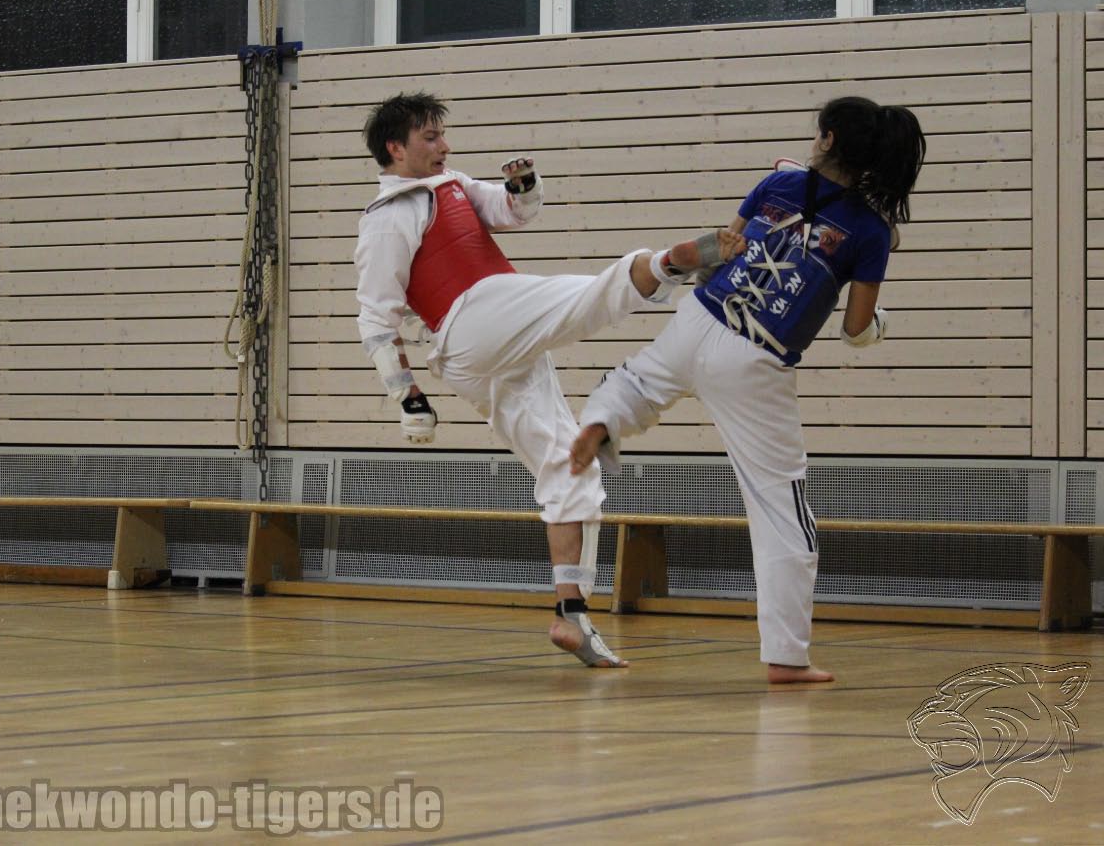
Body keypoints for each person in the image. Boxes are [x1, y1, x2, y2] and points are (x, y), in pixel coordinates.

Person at [354, 91, 743, 668]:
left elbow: (513, 213)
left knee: (569, 464)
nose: (444, 146)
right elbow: (375, 315)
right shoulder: (388, 218)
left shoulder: (452, 185)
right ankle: (665, 264)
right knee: (584, 298)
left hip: (497, 345)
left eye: (442, 134)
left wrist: (523, 186)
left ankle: (571, 613)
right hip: (471, 321)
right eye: (431, 137)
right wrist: (406, 395)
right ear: (395, 148)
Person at [569, 96, 926, 683]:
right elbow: (856, 329)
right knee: (781, 508)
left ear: (828, 140)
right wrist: (877, 324)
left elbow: (718, 253)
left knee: (640, 379)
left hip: (700, 316)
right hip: (757, 357)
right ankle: (787, 657)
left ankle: (605, 416)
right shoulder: (870, 230)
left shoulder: (777, 183)